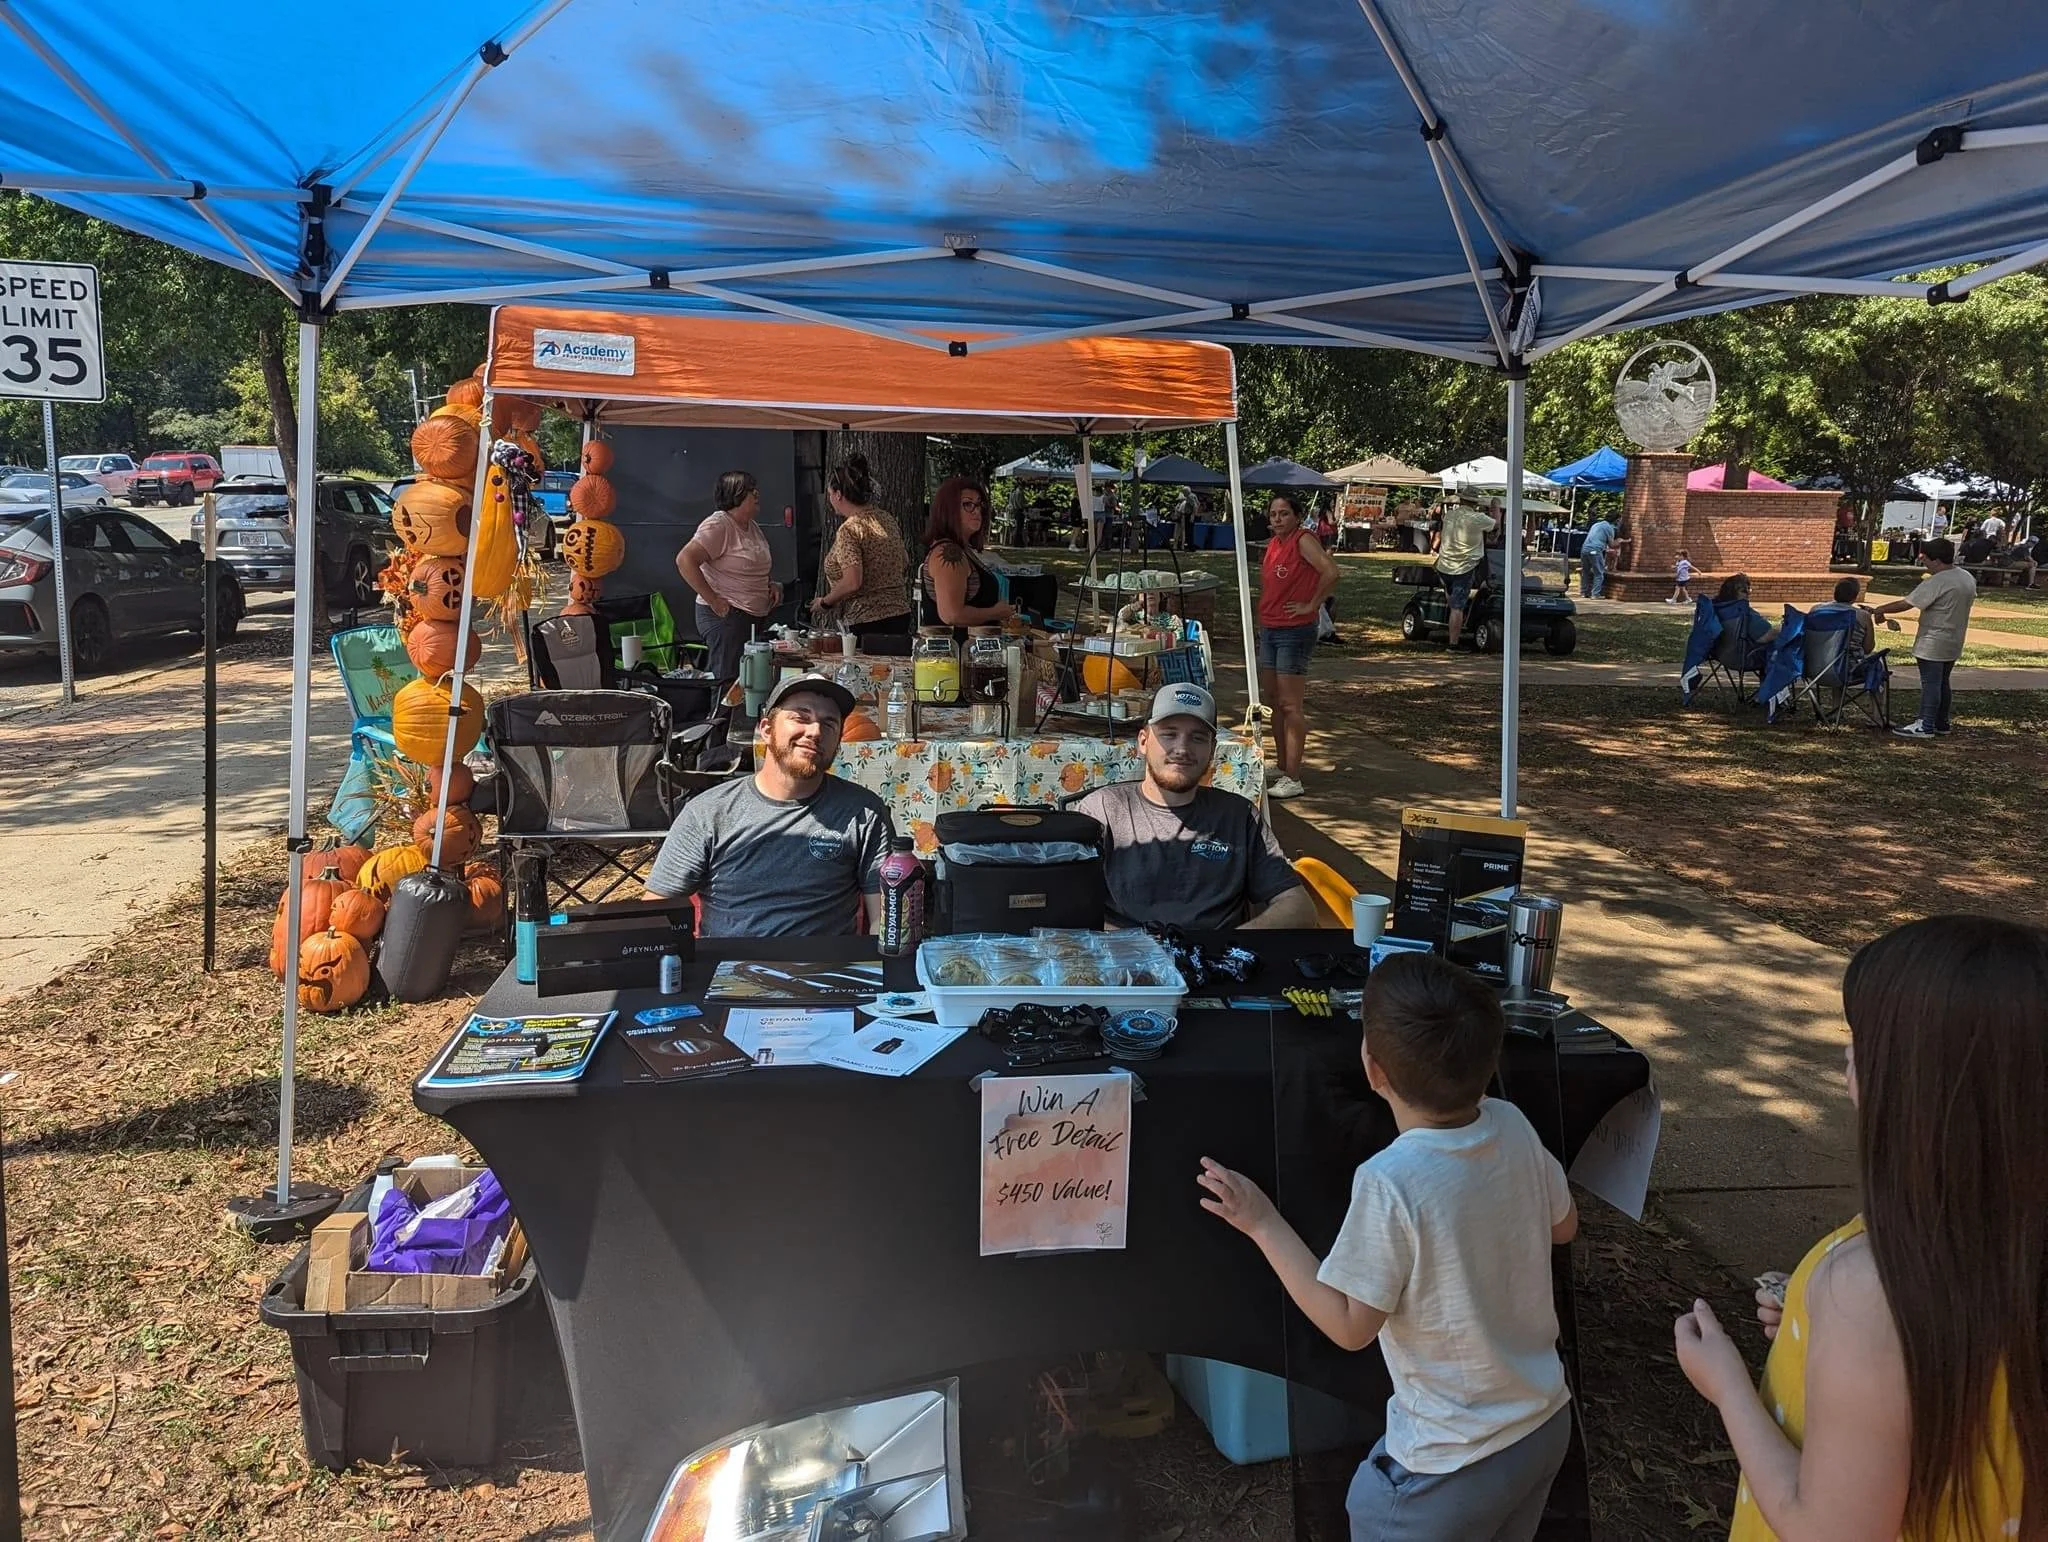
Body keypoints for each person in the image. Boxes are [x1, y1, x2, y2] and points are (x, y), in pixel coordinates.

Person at [1674, 916, 2045, 1542]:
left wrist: (1729, 1387)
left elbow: (1829, 1530)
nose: (1848, 1052)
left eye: (1865, 1037)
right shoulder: (2008, 1244)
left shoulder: (1871, 1290)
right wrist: (1814, 1327)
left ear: (1921, 1087)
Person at [1199, 953, 1577, 1542]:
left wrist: (1263, 1222)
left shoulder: (1391, 1179)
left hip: (1446, 1470)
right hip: (1543, 1426)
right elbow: (1564, 1226)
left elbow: (1351, 1326)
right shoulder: (1512, 1122)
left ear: (1372, 1069)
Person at [645, 675, 893, 936]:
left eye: (829, 723)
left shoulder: (864, 812)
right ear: (766, 729)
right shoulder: (707, 812)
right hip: (729, 969)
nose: (815, 731)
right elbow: (657, 913)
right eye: (801, 717)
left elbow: (884, 921)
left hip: (824, 970)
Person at [1072, 684, 1317, 932]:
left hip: (1217, 962)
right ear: (1143, 741)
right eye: (1169, 734)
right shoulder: (1102, 811)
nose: (1182, 749)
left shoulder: (1237, 815)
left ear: (1212, 750)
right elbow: (1063, 902)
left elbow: (1298, 907)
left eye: (1198, 737)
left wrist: (1226, 947)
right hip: (1127, 962)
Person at [1257, 492, 1341, 801]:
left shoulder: (1303, 539)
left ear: (1296, 516)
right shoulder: (1274, 544)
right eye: (1274, 514)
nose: (1278, 519)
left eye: (1284, 513)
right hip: (1270, 627)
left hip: (1294, 631)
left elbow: (1331, 571)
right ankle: (1281, 765)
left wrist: (1311, 605)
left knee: (1291, 704)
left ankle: (1293, 776)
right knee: (1273, 699)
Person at [677, 470, 780, 696]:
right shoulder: (718, 525)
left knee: (750, 682)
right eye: (751, 490)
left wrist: (771, 584)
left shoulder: (752, 526)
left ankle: (742, 728)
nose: (757, 493)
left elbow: (751, 565)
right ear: (737, 495)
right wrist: (713, 599)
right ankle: (719, 729)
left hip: (752, 617)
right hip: (726, 617)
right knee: (728, 684)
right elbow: (685, 560)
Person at [1865, 537, 1975, 739]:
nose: (1924, 562)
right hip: (1955, 637)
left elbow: (1907, 603)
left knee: (1930, 682)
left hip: (1934, 638)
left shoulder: (1938, 581)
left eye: (1926, 559)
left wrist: (1879, 609)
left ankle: (1925, 724)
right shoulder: (1966, 577)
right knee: (1943, 682)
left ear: (1937, 560)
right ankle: (1941, 723)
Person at [809, 451, 912, 644]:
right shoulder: (886, 519)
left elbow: (853, 582)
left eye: (830, 494)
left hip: (866, 620)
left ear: (838, 495)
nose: (830, 499)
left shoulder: (850, 529)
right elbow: (904, 560)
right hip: (900, 613)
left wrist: (825, 602)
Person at [922, 476, 1014, 635]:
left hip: (972, 651)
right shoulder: (949, 552)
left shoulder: (961, 549)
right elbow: (952, 614)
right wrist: (996, 612)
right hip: (956, 653)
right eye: (968, 504)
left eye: (979, 504)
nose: (977, 510)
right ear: (948, 509)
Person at [1431, 495, 1497, 648]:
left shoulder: (1450, 515)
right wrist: (1495, 508)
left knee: (1452, 602)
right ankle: (1453, 644)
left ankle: (1454, 626)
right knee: (1457, 607)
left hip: (1444, 565)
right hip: (1463, 567)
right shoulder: (1478, 518)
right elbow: (1496, 524)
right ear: (1475, 503)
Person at [1715, 573, 1779, 670]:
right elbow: (1764, 637)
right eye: (1744, 590)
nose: (1749, 593)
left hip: (1720, 655)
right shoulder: (1742, 611)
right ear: (1732, 592)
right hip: (1745, 658)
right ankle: (1774, 684)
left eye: (1748, 589)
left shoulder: (1717, 608)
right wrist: (1784, 628)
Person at [1809, 576, 1877, 665]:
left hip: (1814, 666)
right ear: (1855, 596)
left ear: (1835, 593)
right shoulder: (1862, 616)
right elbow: (1868, 649)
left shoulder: (1816, 610)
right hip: (1848, 668)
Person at [1579, 514, 1618, 598]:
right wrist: (1620, 541)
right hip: (1595, 550)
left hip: (1584, 549)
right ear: (1616, 520)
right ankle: (1595, 594)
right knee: (1599, 573)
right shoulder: (1609, 528)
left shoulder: (1596, 524)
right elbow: (1612, 544)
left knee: (1585, 572)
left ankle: (1583, 592)